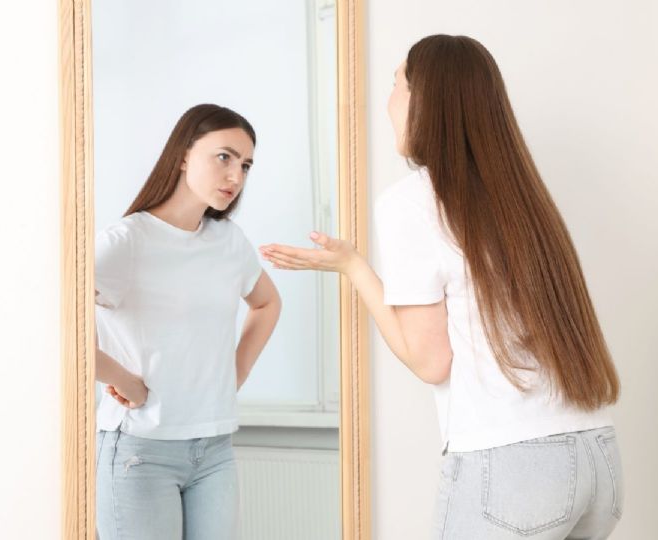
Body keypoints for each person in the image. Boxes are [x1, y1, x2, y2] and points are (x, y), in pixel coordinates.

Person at [260, 35, 624, 539]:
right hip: (595, 457)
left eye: (395, 83)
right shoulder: (526, 202)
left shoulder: (412, 202)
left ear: (423, 102)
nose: (388, 100)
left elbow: (431, 362)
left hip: (511, 467)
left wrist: (356, 270)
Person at [93, 104, 282, 540]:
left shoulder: (228, 241)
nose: (236, 175)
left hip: (213, 448)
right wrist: (123, 378)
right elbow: (59, 330)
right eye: (224, 157)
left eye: (246, 165)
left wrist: (235, 373)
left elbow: (267, 304)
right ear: (183, 155)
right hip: (140, 450)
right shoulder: (126, 241)